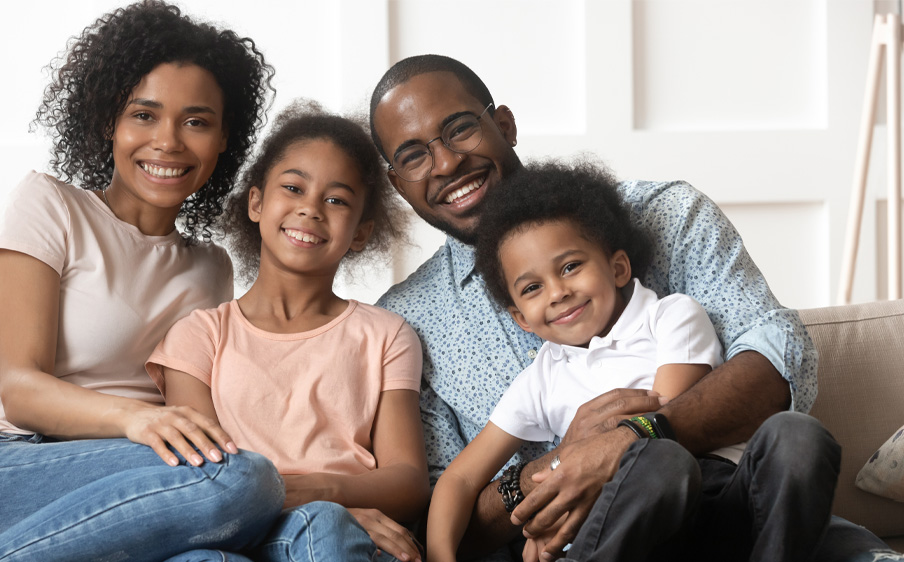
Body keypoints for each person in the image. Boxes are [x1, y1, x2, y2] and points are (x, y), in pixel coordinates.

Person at [369, 54, 898, 562]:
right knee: (658, 468)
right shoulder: (405, 324)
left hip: (746, 516)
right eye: (413, 155)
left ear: (504, 124)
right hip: (600, 539)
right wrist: (556, 468)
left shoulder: (667, 215)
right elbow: (437, 509)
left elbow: (779, 364)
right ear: (396, 181)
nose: (446, 163)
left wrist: (630, 439)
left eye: (460, 128)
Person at [0, 2, 284, 560]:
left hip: (123, 491)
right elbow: (21, 390)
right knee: (240, 480)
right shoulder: (48, 206)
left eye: (197, 121)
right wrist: (140, 418)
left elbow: (205, 416)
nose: (168, 141)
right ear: (107, 119)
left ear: (225, 137)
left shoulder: (212, 268)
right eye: (144, 115)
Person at [427, 160, 839, 562]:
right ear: (521, 319)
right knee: (656, 462)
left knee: (794, 435)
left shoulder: (671, 317)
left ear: (618, 267)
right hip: (621, 525)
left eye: (570, 267)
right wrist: (441, 555)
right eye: (532, 287)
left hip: (719, 498)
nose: (557, 292)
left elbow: (660, 420)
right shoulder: (541, 378)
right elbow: (459, 479)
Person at [145, 102, 430, 562]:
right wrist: (333, 500)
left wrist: (329, 501)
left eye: (337, 200)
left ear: (360, 232)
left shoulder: (386, 335)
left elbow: (409, 482)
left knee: (327, 529)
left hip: (337, 537)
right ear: (256, 202)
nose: (311, 209)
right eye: (293, 188)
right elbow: (207, 481)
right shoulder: (197, 338)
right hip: (236, 533)